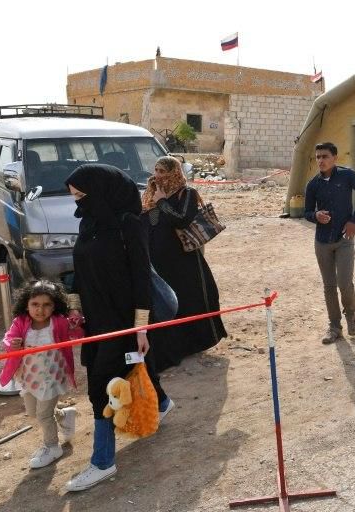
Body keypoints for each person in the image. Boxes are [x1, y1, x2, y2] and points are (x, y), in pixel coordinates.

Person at [63, 164, 171, 491]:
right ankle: (163, 404)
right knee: (136, 368)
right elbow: (78, 273)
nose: (78, 205)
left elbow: (141, 280)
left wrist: (141, 330)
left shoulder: (130, 225)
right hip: (95, 320)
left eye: (83, 197)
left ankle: (103, 461)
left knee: (102, 386)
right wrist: (75, 309)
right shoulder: (90, 224)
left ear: (104, 193)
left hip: (124, 322)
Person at [140, 155, 227, 372]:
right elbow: (147, 222)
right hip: (158, 259)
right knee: (166, 304)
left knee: (190, 299)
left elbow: (182, 219)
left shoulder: (186, 193)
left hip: (183, 259)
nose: (158, 176)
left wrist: (162, 201)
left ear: (174, 172)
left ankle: (194, 343)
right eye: (156, 170)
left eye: (163, 171)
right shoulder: (150, 192)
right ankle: (171, 349)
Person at [0, 280, 80, 469]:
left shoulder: (59, 322)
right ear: (26, 304)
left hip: (53, 377)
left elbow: (77, 332)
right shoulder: (20, 322)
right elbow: (8, 338)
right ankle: (64, 415)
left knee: (43, 415)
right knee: (33, 412)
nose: (40, 310)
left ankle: (52, 447)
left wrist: (76, 322)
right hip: (29, 377)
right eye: (35, 304)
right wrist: (12, 344)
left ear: (55, 306)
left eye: (46, 305)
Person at [304, 142, 355, 344]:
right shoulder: (313, 184)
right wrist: (316, 215)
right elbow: (306, 212)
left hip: (344, 239)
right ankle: (334, 327)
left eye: (325, 156)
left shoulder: (347, 176)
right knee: (329, 286)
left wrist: (354, 221)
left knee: (344, 282)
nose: (321, 161)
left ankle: (351, 315)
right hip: (322, 242)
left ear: (335, 157)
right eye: (317, 157)